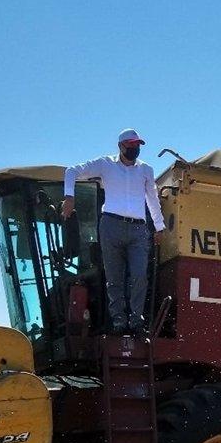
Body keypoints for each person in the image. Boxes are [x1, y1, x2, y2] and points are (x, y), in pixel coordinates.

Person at [63, 129, 167, 337]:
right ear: (121, 146)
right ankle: (119, 322)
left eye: (138, 145)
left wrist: (159, 226)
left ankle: (136, 321)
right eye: (131, 145)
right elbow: (71, 171)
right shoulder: (105, 164)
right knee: (114, 277)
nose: (135, 149)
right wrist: (69, 197)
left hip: (138, 228)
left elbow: (152, 199)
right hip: (111, 225)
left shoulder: (146, 170)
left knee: (139, 275)